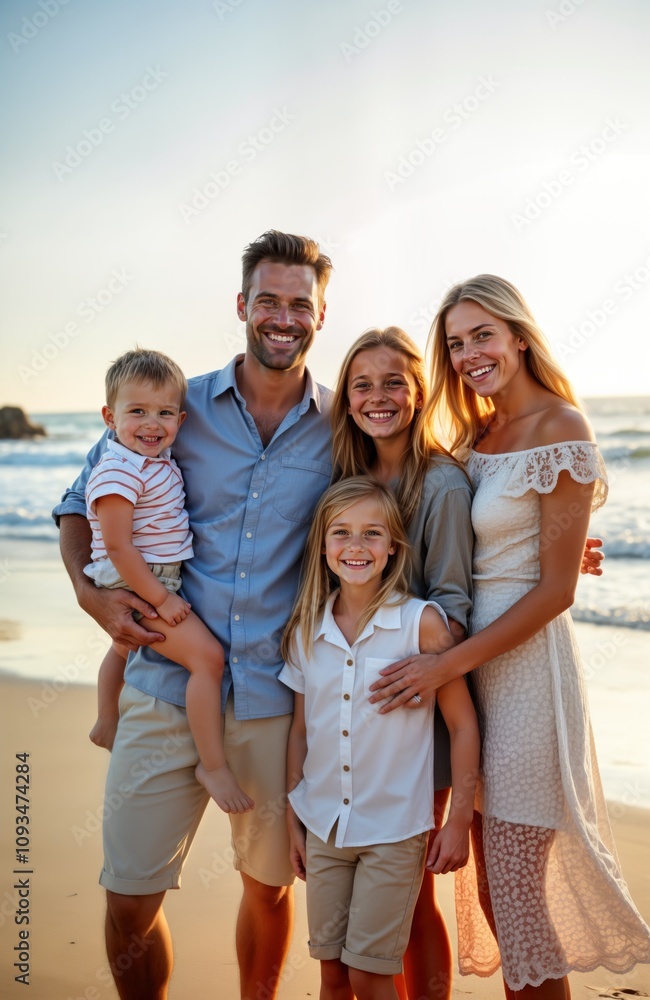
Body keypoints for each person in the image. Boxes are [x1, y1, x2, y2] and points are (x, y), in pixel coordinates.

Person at [53, 231, 333, 1000]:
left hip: (275, 700)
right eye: (268, 300)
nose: (283, 315)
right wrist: (89, 593)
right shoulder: (174, 405)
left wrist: (552, 524)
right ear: (243, 306)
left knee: (269, 889)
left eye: (299, 303)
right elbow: (81, 504)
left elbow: (414, 491)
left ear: (320, 314)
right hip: (163, 684)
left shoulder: (341, 425)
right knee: (129, 898)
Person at [369, 276, 650, 998]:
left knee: (519, 899)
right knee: (498, 890)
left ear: (520, 336)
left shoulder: (562, 426)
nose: (469, 355)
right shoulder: (476, 433)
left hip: (525, 680)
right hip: (468, 677)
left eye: (482, 335)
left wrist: (442, 667)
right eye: (456, 344)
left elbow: (554, 591)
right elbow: (479, 540)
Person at [280, 477, 480, 1000]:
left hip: (394, 831)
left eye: (373, 534)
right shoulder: (306, 628)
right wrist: (292, 813)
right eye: (341, 533)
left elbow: (461, 725)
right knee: (332, 975)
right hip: (324, 826)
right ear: (323, 545)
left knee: (370, 975)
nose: (356, 546)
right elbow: (302, 731)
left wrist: (458, 818)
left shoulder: (422, 624)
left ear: (393, 546)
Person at [330, 326, 473, 1000]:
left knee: (410, 893)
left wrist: (414, 660)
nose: (378, 396)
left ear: (419, 393)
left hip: (416, 706)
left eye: (394, 382)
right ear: (347, 397)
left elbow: (453, 604)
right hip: (355, 713)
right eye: (362, 384)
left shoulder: (440, 483)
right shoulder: (348, 476)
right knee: (378, 894)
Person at [85, 347, 253, 813]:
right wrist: (160, 596)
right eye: (136, 411)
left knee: (122, 646)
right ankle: (213, 766)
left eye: (163, 413)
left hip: (151, 574)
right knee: (207, 660)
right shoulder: (119, 469)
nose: (151, 424)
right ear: (109, 416)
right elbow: (118, 547)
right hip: (142, 578)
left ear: (181, 418)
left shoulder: (153, 459)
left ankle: (105, 723)